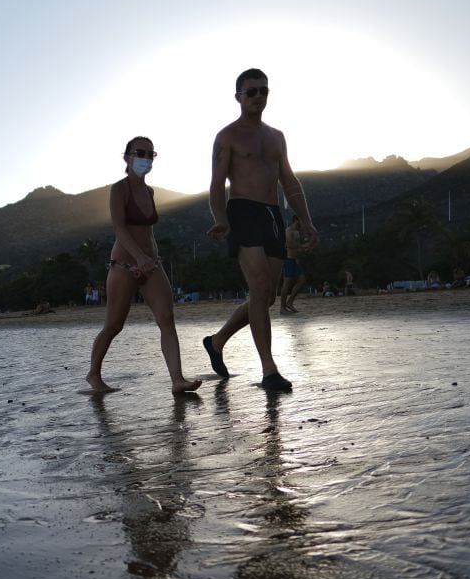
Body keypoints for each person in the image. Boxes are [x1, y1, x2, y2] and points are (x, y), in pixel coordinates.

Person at [203, 69, 319, 391]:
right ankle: (269, 370)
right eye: (251, 91)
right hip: (242, 212)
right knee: (260, 285)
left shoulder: (276, 136)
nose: (258, 97)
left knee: (265, 296)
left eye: (263, 91)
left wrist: (306, 220)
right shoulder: (227, 136)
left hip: (272, 216)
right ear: (238, 96)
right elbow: (216, 183)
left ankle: (217, 341)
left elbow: (290, 181)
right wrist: (221, 218)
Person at [87, 136, 203, 394]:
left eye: (151, 154)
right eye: (140, 152)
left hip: (151, 264)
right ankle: (94, 373)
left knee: (167, 318)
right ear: (127, 157)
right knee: (114, 325)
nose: (146, 158)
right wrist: (138, 258)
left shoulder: (150, 192)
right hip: (124, 265)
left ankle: (177, 380)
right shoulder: (119, 189)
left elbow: (148, 232)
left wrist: (151, 259)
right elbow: (119, 227)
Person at [279, 215, 307, 314]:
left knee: (302, 280)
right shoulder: (288, 231)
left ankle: (290, 302)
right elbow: (289, 245)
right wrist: (302, 246)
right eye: (301, 220)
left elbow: (296, 247)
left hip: (295, 260)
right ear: (296, 220)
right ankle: (282, 307)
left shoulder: (297, 232)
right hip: (288, 259)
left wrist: (302, 250)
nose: (302, 223)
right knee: (287, 282)